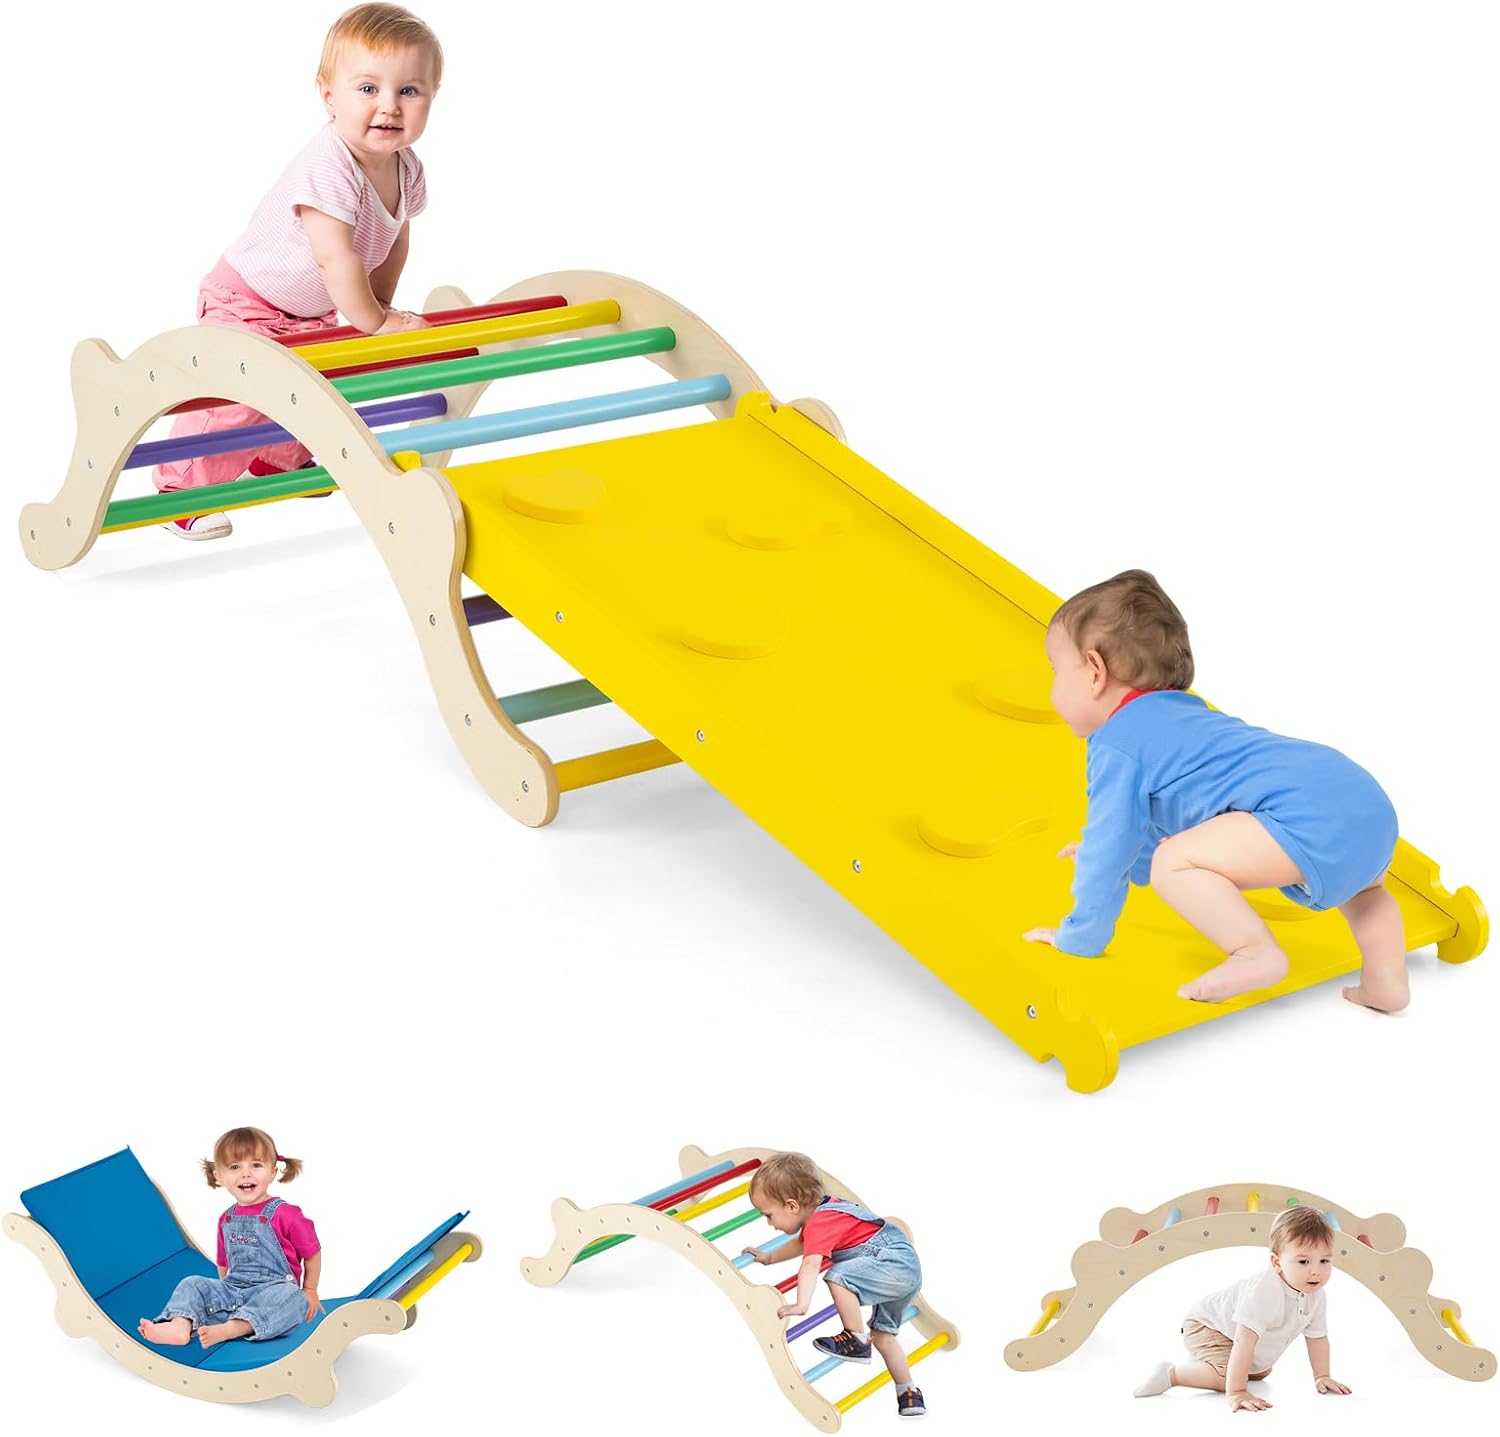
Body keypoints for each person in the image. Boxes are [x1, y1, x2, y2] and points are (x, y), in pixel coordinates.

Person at [1022, 569, 1406, 1010]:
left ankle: (1253, 952)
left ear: (1095, 672)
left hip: (1304, 814)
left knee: (1173, 864)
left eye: (1056, 670)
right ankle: (1385, 981)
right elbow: (1159, 823)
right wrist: (1119, 857)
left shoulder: (1116, 743)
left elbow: (1113, 844)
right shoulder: (1187, 715)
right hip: (1364, 802)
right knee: (1366, 892)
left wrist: (1079, 936)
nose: (1053, 684)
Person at [155, 3, 442, 540]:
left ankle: (277, 461)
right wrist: (375, 321)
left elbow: (396, 237)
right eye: (368, 89)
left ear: (433, 96)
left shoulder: (407, 167)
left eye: (409, 90)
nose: (389, 106)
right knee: (236, 395)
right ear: (329, 98)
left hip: (306, 307)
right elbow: (336, 257)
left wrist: (380, 305)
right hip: (246, 301)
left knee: (313, 382)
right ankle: (184, 489)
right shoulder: (328, 166)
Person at [743, 1152, 928, 1418]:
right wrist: (770, 1258)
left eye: (768, 1215)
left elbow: (810, 1263)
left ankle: (855, 1339)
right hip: (907, 1270)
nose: (769, 1223)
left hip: (890, 1263)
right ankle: (909, 1393)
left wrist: (801, 1304)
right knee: (884, 1336)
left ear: (792, 1206)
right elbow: (802, 1244)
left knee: (838, 1276)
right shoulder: (830, 1210)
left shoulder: (820, 1222)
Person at [1133, 1206, 1352, 1411]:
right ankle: (1172, 1374)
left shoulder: (1316, 1295)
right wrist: (1236, 1391)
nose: (1316, 1271)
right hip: (1207, 1326)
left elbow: (1317, 1338)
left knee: (1259, 1371)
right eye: (1303, 1262)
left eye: (1324, 1261)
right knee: (1227, 1378)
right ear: (1277, 1263)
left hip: (1237, 1336)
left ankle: (1208, 1365)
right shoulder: (1264, 1292)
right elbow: (1243, 1341)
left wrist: (1322, 1376)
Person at [137, 1127, 321, 1348]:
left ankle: (232, 1328)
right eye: (235, 1167)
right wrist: (220, 1295)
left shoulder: (286, 1214)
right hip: (235, 1290)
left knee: (294, 1297)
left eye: (256, 1165)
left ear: (272, 1172)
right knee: (192, 1283)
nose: (246, 1174)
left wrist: (310, 1289)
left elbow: (312, 1252)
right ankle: (180, 1324)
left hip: (273, 1291)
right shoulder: (226, 1219)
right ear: (219, 1176)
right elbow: (224, 1265)